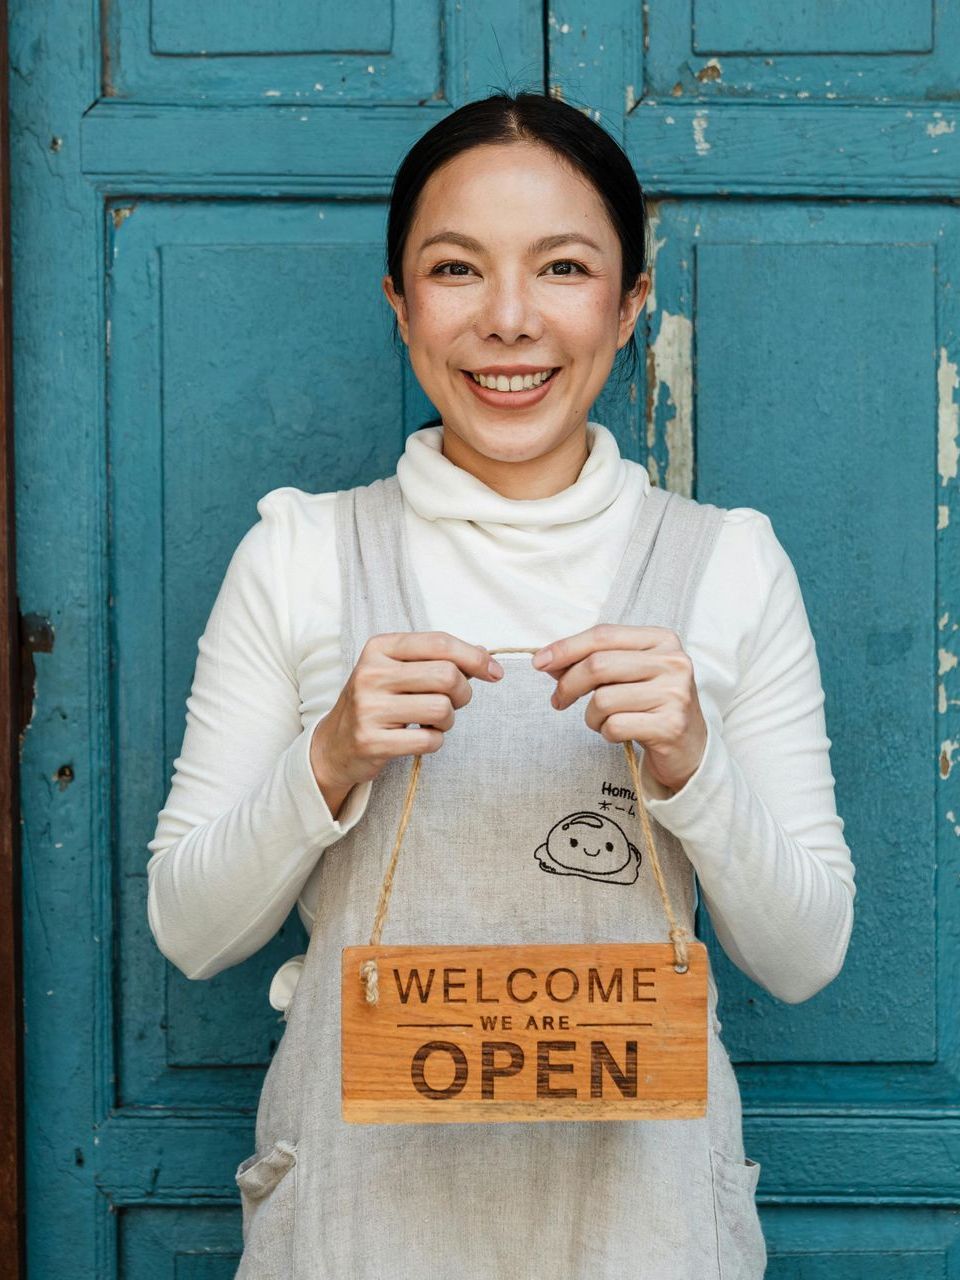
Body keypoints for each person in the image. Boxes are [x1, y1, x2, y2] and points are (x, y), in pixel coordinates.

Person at [146, 90, 855, 1279]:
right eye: (457, 269)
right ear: (400, 305)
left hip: (644, 1227)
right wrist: (326, 761)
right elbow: (190, 928)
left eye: (566, 267)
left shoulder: (727, 563)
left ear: (631, 304)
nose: (511, 320)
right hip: (362, 1226)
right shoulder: (301, 554)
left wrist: (695, 767)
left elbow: (804, 953)